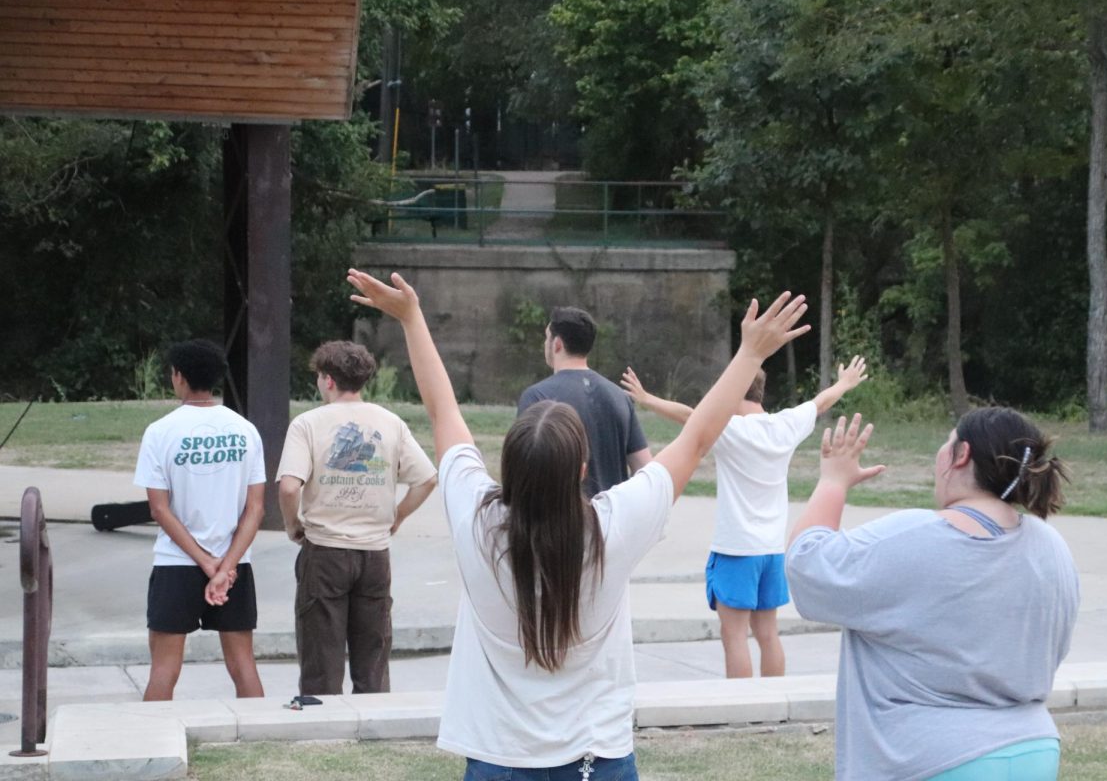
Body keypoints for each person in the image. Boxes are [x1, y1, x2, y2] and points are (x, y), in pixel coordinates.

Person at [347, 267, 808, 780]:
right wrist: (749, 355)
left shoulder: (477, 520)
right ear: (584, 470)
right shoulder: (613, 527)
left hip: (499, 760)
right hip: (597, 760)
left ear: (509, 465)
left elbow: (442, 412)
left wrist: (412, 318)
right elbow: (697, 438)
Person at [785, 408, 1079, 781]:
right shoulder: (1051, 546)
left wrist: (832, 483)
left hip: (933, 759)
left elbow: (806, 567)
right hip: (1034, 749)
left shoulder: (915, 537)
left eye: (946, 443)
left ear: (961, 455)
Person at [620, 357, 868, 679]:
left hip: (736, 550)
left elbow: (691, 417)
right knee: (768, 634)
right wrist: (844, 382)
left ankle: (745, 709)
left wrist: (646, 399)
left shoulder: (729, 428)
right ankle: (773, 704)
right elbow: (820, 402)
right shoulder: (786, 424)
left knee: (734, 636)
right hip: (771, 551)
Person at [277, 340, 437, 695]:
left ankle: (322, 725)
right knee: (373, 654)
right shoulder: (390, 422)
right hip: (376, 553)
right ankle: (375, 717)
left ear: (329, 380)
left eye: (319, 377)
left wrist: (293, 525)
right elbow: (426, 478)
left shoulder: (307, 424)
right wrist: (398, 516)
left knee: (321, 656)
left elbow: (289, 487)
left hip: (325, 550)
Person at [132, 339, 266, 701]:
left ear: (179, 377)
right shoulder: (246, 430)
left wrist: (206, 562)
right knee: (243, 666)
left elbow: (159, 509)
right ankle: (258, 743)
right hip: (235, 564)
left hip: (177, 563)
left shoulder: (160, 432)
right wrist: (225, 567)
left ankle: (153, 743)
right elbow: (256, 509)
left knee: (164, 669)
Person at [517, 306, 651, 498]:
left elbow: (524, 472)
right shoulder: (619, 396)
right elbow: (645, 469)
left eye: (547, 338)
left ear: (557, 344)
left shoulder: (536, 397)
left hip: (558, 521)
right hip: (609, 521)